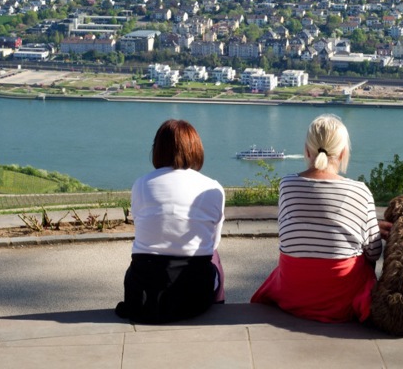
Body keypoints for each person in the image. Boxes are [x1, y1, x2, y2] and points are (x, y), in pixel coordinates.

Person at [251, 114, 383, 323]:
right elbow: (374, 253)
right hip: (343, 301)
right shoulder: (359, 191)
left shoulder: (287, 185)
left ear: (306, 150)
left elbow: (288, 238)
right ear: (343, 152)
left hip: (293, 294)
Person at [115, 119, 226, 324]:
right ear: (196, 149)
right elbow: (213, 242)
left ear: (157, 149)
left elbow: (141, 225)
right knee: (214, 255)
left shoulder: (141, 184)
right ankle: (218, 306)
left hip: (143, 296)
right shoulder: (213, 187)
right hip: (194, 299)